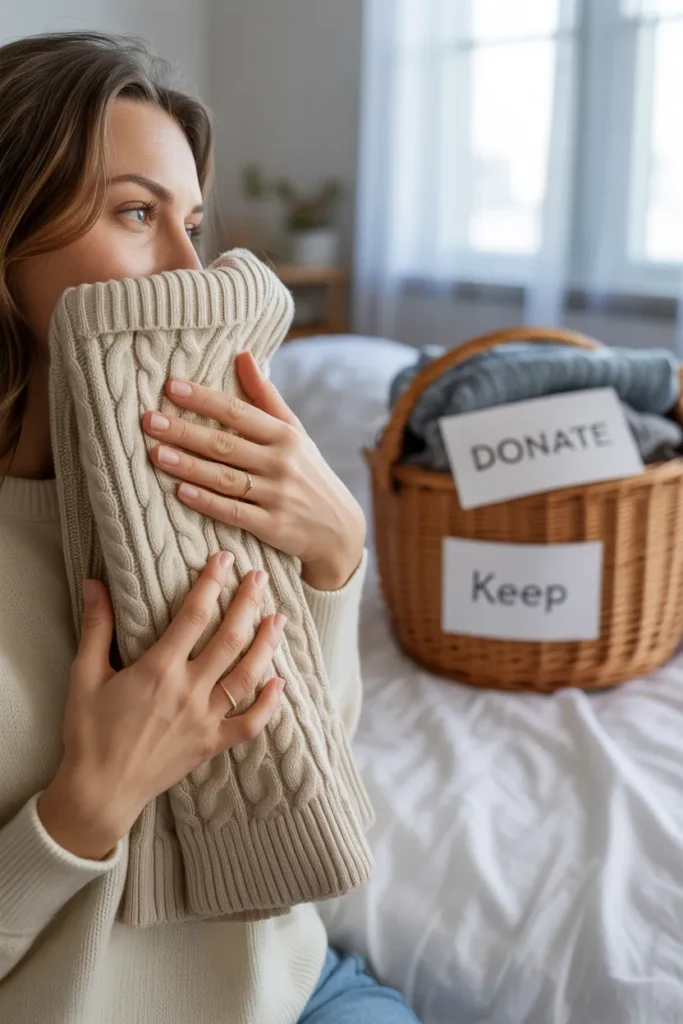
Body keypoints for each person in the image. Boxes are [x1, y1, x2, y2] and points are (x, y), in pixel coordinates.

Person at [0, 31, 421, 1024]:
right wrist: (83, 809)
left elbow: (306, 763)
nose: (191, 266)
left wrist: (332, 558)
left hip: (300, 986)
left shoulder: (205, 459)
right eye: (136, 213)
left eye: (193, 220)